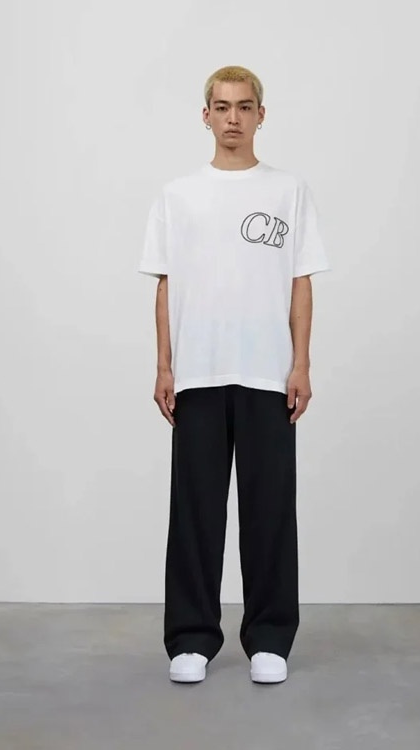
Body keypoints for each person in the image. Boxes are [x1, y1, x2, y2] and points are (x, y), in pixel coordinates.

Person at [138, 65, 330, 684]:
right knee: (194, 509)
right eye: (221, 107)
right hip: (198, 372)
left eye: (244, 107)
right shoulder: (177, 195)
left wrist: (300, 363)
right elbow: (165, 286)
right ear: (205, 116)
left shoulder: (288, 191)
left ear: (261, 115)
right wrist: (164, 364)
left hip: (267, 373)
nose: (233, 118)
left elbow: (300, 283)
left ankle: (270, 637)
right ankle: (191, 639)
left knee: (270, 509)